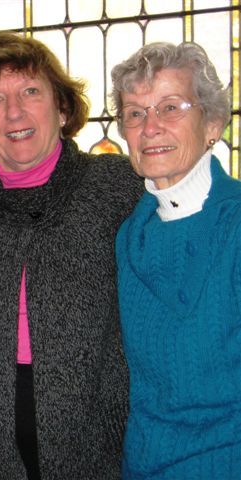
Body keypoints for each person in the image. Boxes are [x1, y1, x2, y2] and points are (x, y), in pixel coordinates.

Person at [0, 32, 143, 479]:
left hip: (106, 453)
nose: (15, 112)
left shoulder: (119, 187)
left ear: (63, 108)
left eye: (31, 91)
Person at [111, 42, 237, 478]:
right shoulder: (131, 235)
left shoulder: (236, 226)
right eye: (135, 113)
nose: (150, 128)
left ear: (213, 124)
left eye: (170, 107)